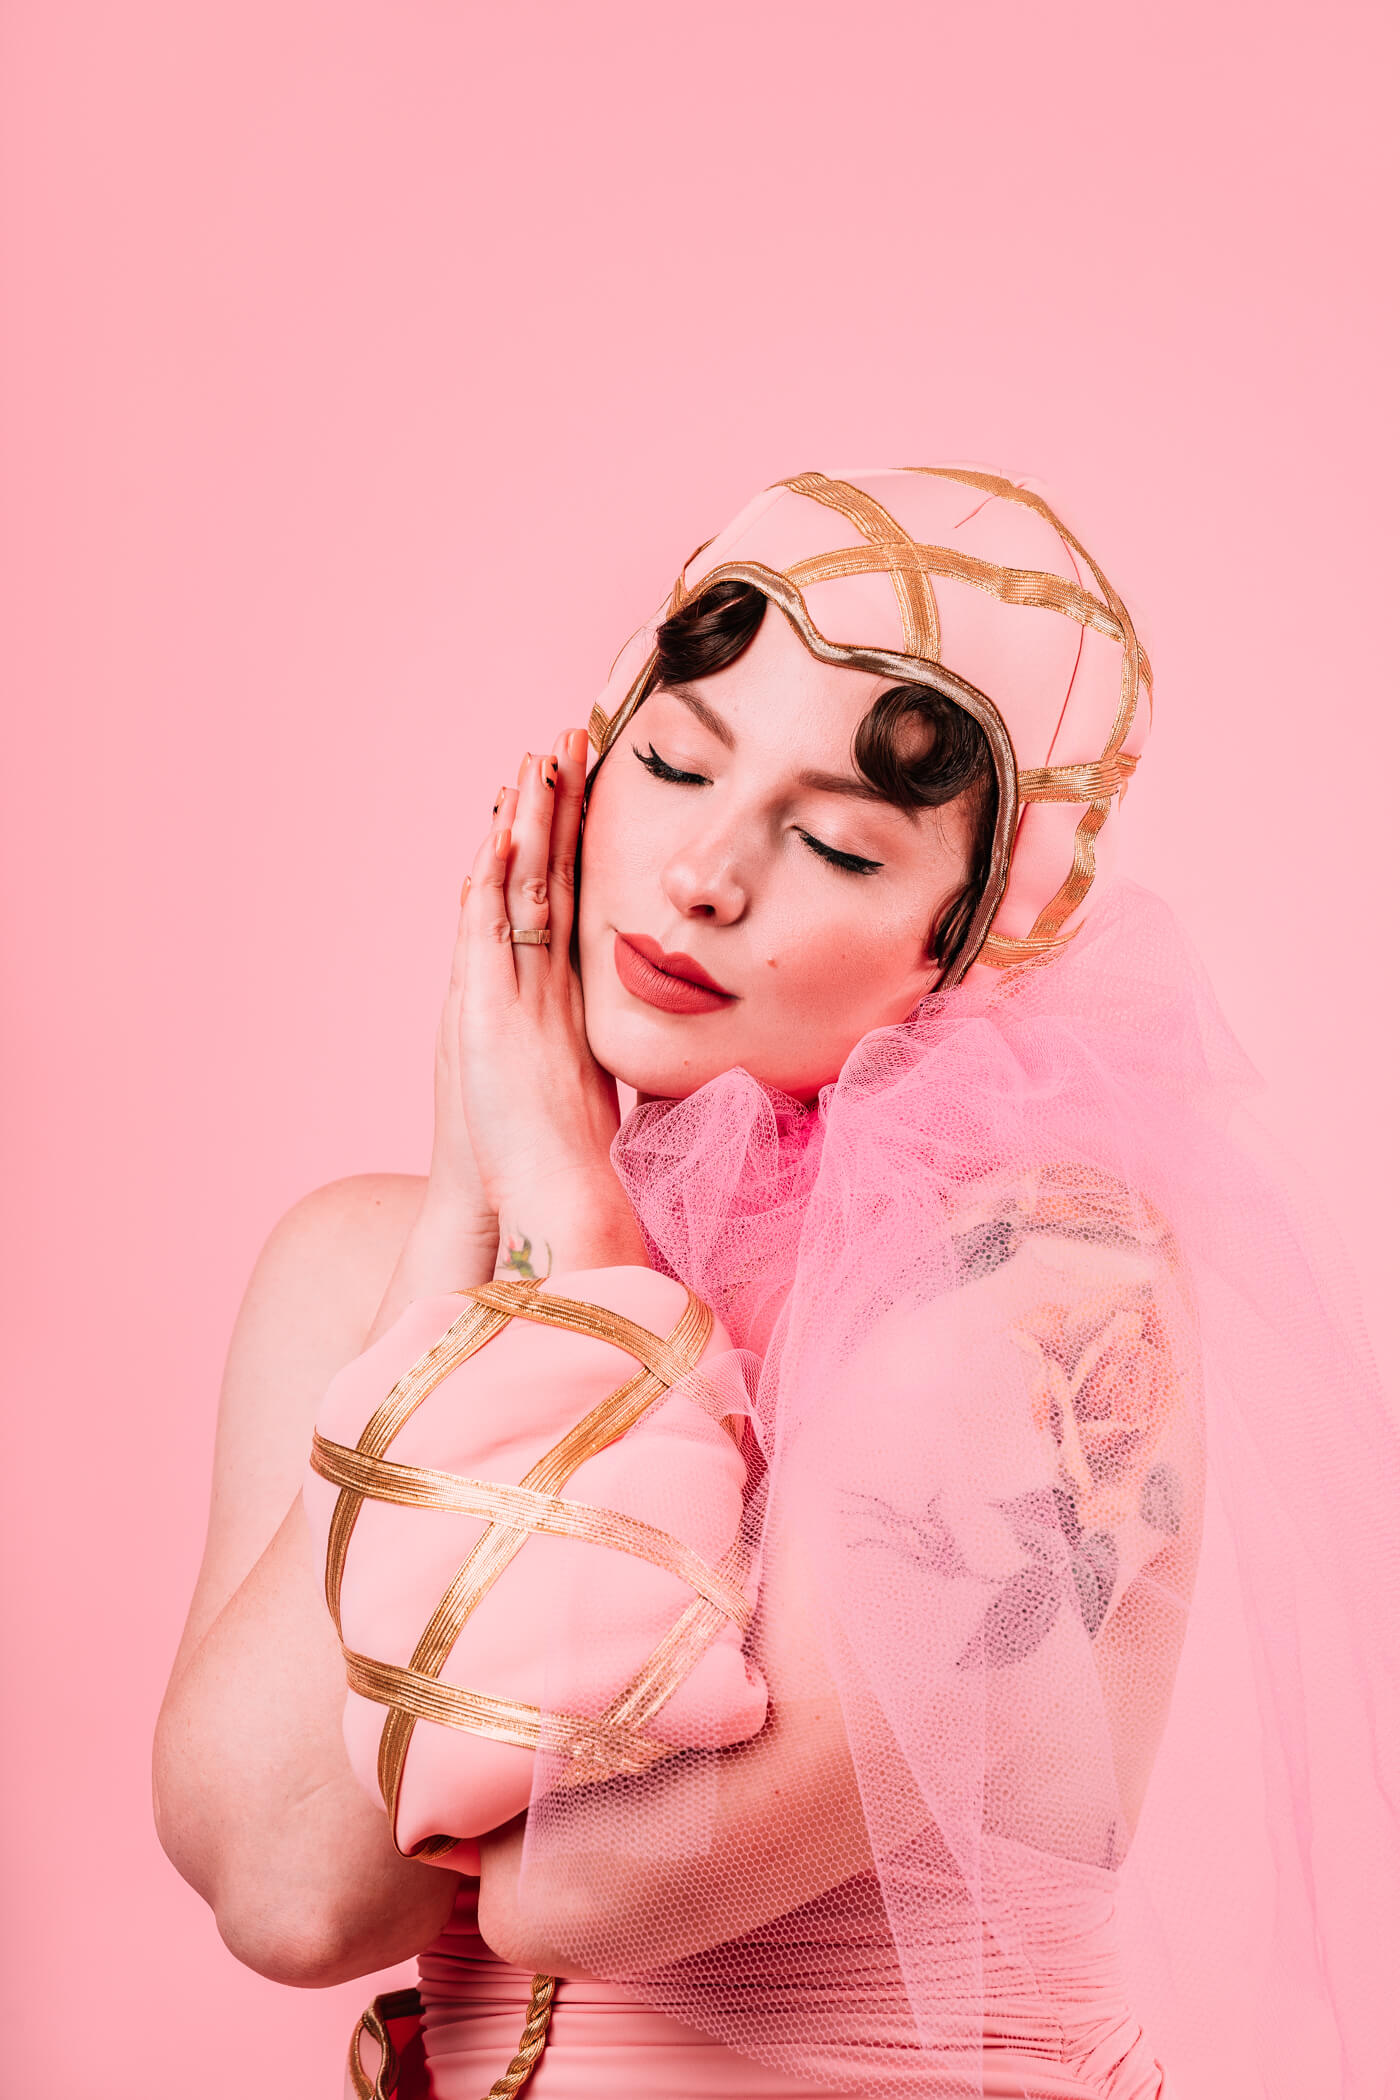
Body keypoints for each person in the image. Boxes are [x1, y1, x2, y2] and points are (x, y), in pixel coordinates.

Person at [154, 469, 1400, 2099]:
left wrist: (581, 1257)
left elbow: (576, 1892)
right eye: (670, 764)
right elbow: (292, 1891)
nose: (702, 875)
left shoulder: (1040, 1291)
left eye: (833, 842)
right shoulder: (360, 1261)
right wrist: (477, 1225)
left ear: (973, 932)